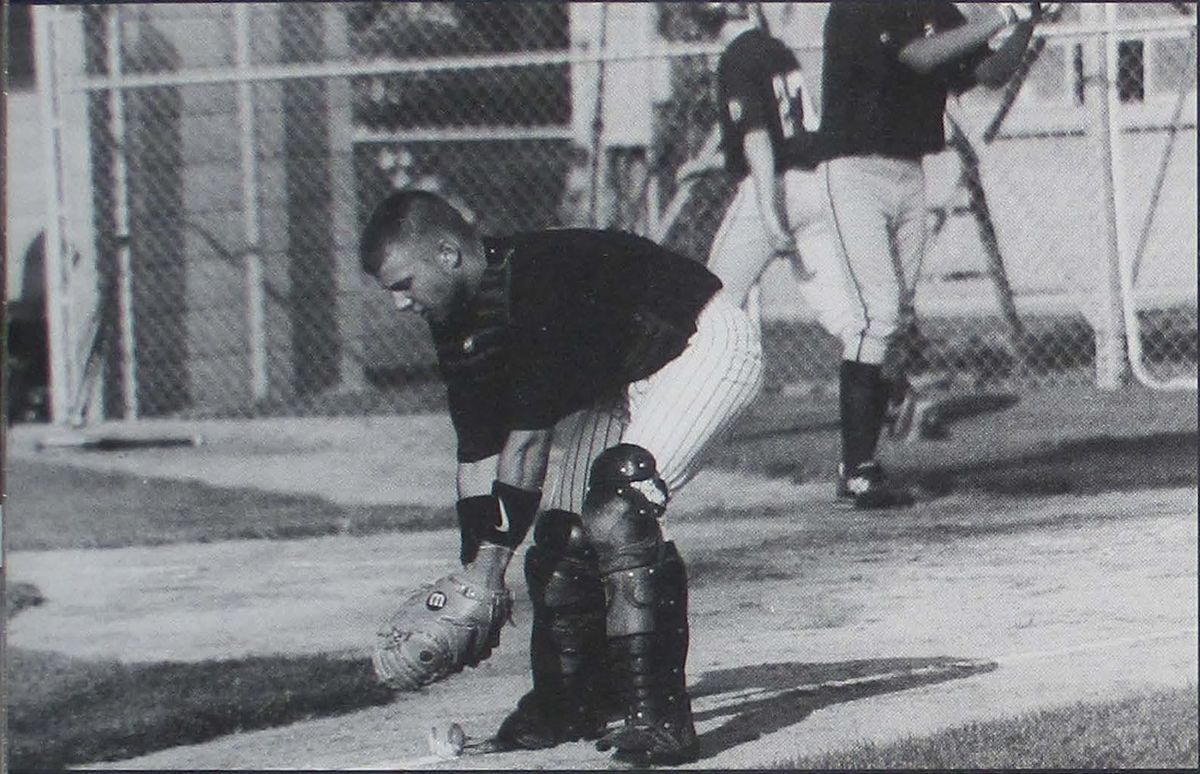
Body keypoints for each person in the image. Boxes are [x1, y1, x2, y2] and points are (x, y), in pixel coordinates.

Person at [360, 189, 765, 764]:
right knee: (561, 537)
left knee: (618, 505)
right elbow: (478, 450)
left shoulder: (535, 284)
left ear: (448, 254)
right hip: (623, 380)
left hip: (703, 345)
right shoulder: (457, 315)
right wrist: (476, 569)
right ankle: (570, 701)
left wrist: (490, 574)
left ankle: (660, 720)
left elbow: (527, 444)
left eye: (403, 284)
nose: (401, 303)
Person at [819, 1, 1053, 507]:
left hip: (909, 171)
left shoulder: (935, 8)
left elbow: (988, 73)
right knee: (873, 317)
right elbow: (919, 58)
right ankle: (856, 471)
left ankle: (861, 464)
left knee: (892, 318)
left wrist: (1028, 20)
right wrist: (1000, 15)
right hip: (855, 170)